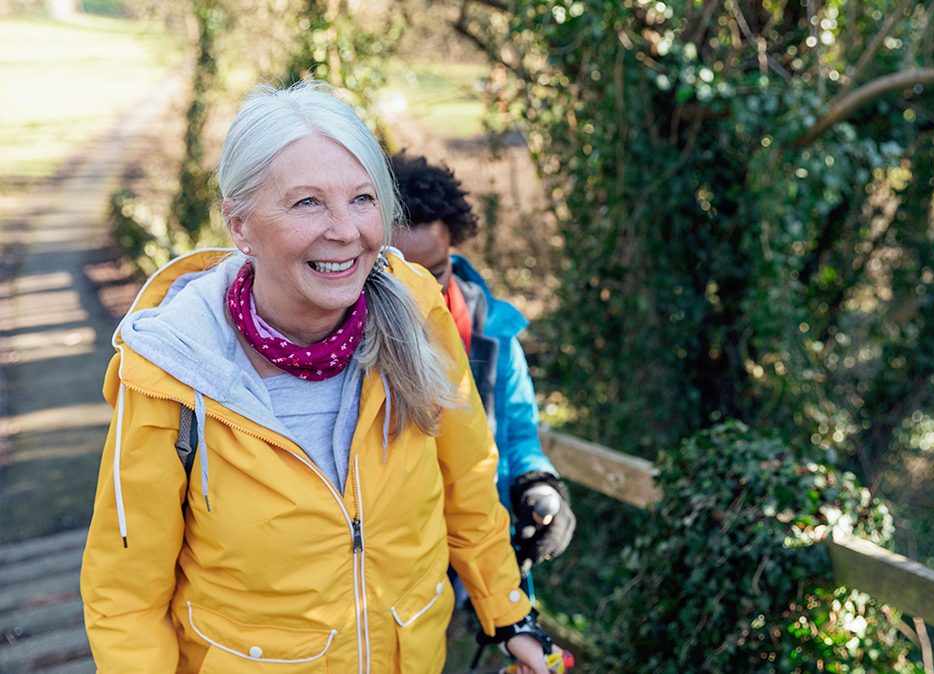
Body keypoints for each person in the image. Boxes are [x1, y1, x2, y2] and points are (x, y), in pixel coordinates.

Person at [80, 81, 559, 673]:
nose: (345, 231)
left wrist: (509, 612)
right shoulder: (169, 374)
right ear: (240, 224)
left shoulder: (418, 313)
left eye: (362, 199)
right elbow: (125, 598)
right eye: (308, 202)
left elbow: (467, 482)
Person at [389, 154, 575, 586]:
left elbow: (518, 433)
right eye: (403, 274)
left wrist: (537, 483)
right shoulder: (345, 338)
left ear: (453, 246)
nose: (424, 291)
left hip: (476, 550)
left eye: (436, 271)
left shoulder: (493, 332)